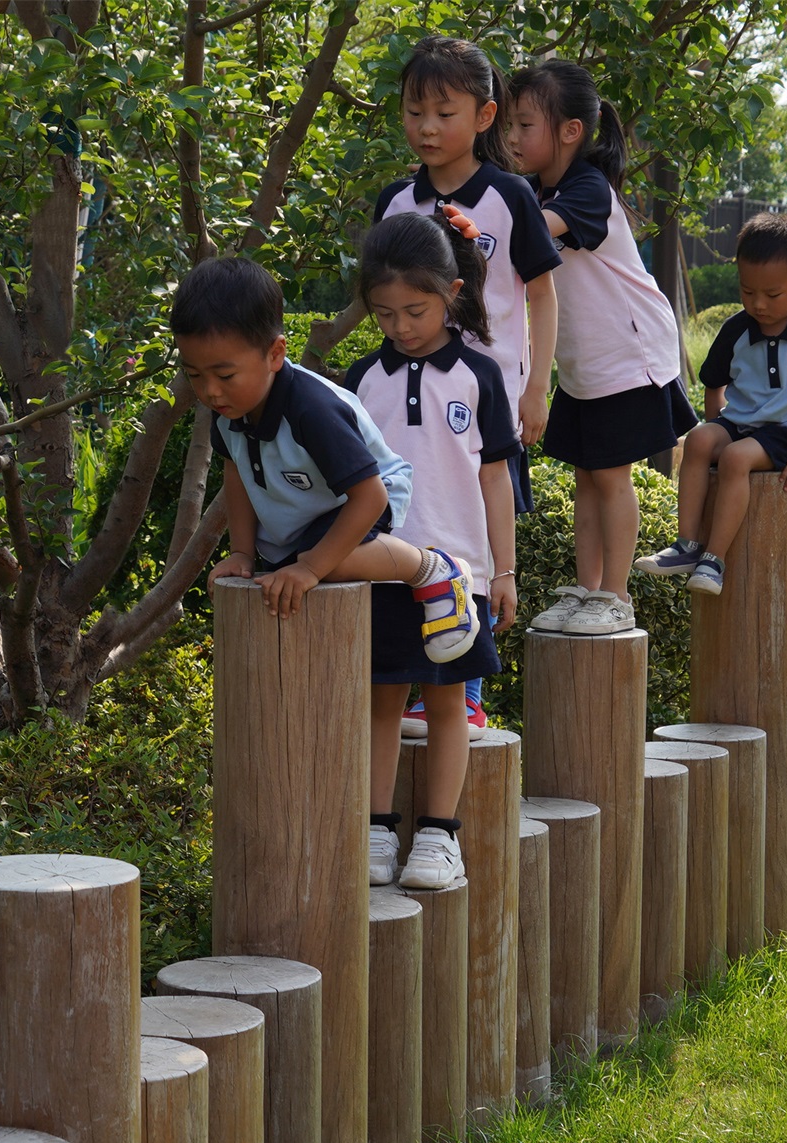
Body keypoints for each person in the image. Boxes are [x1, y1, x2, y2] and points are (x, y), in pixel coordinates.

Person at [317, 34, 562, 731]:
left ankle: (464, 681)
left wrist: (536, 385)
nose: (427, 127)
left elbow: (542, 294)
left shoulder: (510, 195)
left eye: (444, 112)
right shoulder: (396, 200)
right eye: (414, 112)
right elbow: (380, 297)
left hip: (483, 396)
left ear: (484, 117)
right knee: (408, 519)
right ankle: (412, 672)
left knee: (481, 524)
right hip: (406, 397)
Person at [181, 255, 479, 664]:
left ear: (275, 353)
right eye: (195, 375)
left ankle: (434, 569)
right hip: (307, 513)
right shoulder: (231, 410)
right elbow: (238, 474)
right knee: (294, 569)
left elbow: (369, 497)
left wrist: (311, 568)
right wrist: (242, 554)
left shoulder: (312, 410)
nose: (211, 391)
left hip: (366, 496)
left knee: (326, 563)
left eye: (225, 375)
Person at [345, 210, 520, 886]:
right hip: (380, 569)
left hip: (457, 576)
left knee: (449, 702)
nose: (401, 326)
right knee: (381, 699)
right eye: (384, 314)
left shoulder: (479, 376)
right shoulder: (362, 380)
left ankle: (440, 835)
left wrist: (501, 571)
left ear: (451, 292)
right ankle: (377, 828)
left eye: (414, 309)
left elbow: (495, 477)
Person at [507, 59, 696, 635]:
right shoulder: (540, 187)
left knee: (610, 477)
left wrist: (479, 218)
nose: (511, 138)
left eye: (523, 125)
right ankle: (587, 592)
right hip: (586, 365)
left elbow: (534, 231)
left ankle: (616, 597)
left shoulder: (586, 187)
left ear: (569, 131)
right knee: (587, 477)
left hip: (629, 354)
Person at [637, 212, 787, 595]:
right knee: (700, 440)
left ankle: (713, 560)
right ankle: (687, 545)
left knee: (736, 458)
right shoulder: (736, 328)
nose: (758, 304)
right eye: (747, 291)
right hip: (739, 422)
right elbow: (713, 384)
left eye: (772, 294)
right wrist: (717, 426)